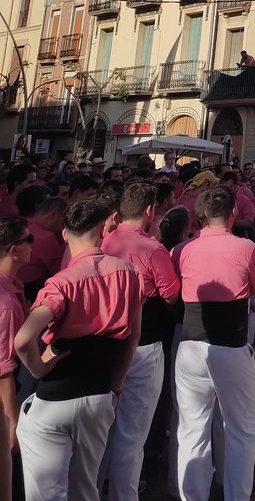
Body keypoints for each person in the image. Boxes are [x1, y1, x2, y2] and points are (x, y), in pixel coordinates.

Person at [14, 199, 143, 501]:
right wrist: (116, 386)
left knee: (46, 492)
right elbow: (132, 337)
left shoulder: (62, 283)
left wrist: (38, 368)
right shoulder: (130, 273)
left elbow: (22, 340)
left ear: (64, 235)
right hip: (99, 392)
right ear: (102, 231)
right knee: (86, 488)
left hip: (56, 393)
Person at [172, 185, 255, 501]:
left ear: (199, 216)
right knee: (240, 430)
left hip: (191, 346)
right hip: (230, 347)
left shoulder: (182, 250)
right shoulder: (246, 247)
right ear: (233, 214)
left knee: (192, 431)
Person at [101, 180, 181, 501]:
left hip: (104, 341)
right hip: (143, 342)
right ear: (150, 210)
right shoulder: (152, 248)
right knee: (132, 433)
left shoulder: (104, 241)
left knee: (102, 428)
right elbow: (172, 295)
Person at [0, 217, 31, 480]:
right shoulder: (6, 303)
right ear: (14, 250)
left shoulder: (11, 289)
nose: (34, 244)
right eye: (28, 240)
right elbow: (3, 371)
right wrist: (11, 426)